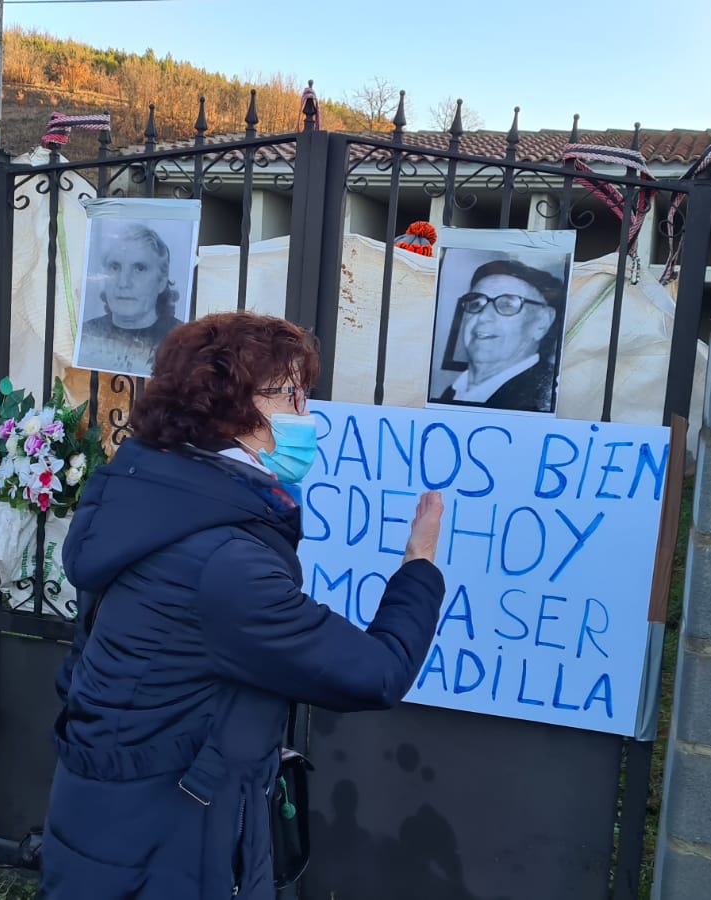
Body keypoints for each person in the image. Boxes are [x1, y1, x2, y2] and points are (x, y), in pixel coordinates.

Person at [40, 311, 447, 899]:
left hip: (112, 820)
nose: (307, 419)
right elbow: (377, 673)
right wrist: (419, 566)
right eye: (290, 397)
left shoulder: (149, 495)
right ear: (229, 412)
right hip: (166, 846)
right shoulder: (223, 564)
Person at [435, 258, 567, 412]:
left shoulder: (546, 399)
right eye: (476, 303)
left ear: (542, 322)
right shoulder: (452, 392)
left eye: (507, 304)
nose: (483, 316)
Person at [76, 222, 186, 375]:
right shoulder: (85, 335)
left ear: (161, 281)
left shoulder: (183, 342)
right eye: (115, 267)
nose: (123, 283)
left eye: (139, 268)